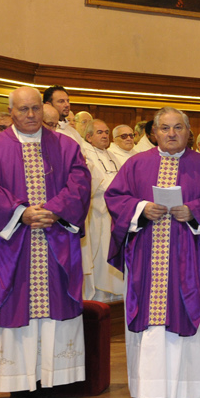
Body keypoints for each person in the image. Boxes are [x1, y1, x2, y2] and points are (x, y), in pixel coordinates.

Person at [0, 87, 90, 398]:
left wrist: (54, 210)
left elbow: (80, 184)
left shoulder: (66, 146)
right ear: (11, 112)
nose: (30, 115)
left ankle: (49, 380)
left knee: (54, 307)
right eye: (23, 109)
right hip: (9, 245)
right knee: (13, 306)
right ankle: (17, 384)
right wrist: (20, 212)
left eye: (35, 109)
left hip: (55, 240)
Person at [105, 107, 200, 398]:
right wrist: (141, 208)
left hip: (191, 259)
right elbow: (116, 198)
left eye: (178, 128)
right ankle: (150, 388)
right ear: (154, 132)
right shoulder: (136, 164)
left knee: (189, 311)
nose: (171, 133)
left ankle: (193, 386)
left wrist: (194, 211)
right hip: (146, 258)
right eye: (165, 128)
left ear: (188, 132)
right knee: (150, 318)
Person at [83, 120, 124, 303]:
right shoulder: (86, 154)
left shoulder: (111, 155)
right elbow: (92, 183)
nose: (105, 135)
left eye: (107, 132)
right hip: (98, 213)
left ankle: (116, 295)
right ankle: (100, 297)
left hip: (115, 213)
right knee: (100, 255)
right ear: (89, 136)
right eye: (100, 132)